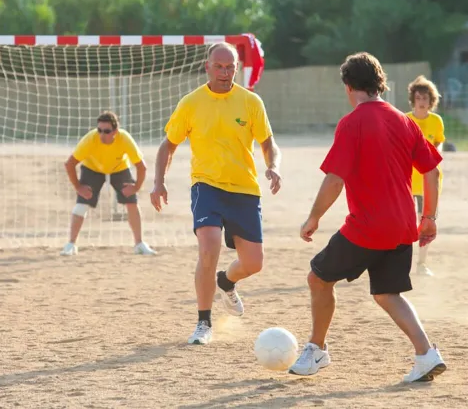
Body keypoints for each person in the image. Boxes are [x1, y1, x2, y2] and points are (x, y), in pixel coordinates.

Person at [290, 52, 446, 383]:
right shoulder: (404, 121)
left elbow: (335, 179)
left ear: (348, 87)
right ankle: (426, 355)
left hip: (368, 228)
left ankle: (317, 349)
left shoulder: (352, 122)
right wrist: (429, 217)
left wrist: (313, 217)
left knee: (318, 278)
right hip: (404, 226)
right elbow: (431, 171)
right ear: (379, 83)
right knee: (387, 293)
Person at [150, 42, 282, 345]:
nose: (225, 72)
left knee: (254, 264)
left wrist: (273, 165)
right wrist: (159, 181)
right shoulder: (191, 103)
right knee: (208, 247)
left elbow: (267, 141)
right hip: (206, 186)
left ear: (237, 68)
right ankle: (203, 323)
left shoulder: (251, 102)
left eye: (230, 67)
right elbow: (168, 145)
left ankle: (227, 280)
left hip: (245, 189)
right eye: (219, 66)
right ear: (207, 66)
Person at [61, 111, 156, 256]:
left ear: (115, 131)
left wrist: (136, 187)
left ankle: (139, 244)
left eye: (106, 131)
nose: (102, 134)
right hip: (92, 168)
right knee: (81, 204)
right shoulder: (90, 139)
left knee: (132, 203)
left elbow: (142, 167)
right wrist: (78, 187)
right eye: (99, 130)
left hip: (119, 167)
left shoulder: (124, 138)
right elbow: (69, 164)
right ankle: (71, 245)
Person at [406, 75, 445, 276]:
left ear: (431, 101)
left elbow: (438, 147)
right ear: (413, 99)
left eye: (426, 98)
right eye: (419, 98)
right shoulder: (404, 120)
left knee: (426, 223)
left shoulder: (437, 121)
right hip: (406, 182)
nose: (422, 102)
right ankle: (401, 264)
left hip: (428, 184)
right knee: (404, 223)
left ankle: (421, 264)